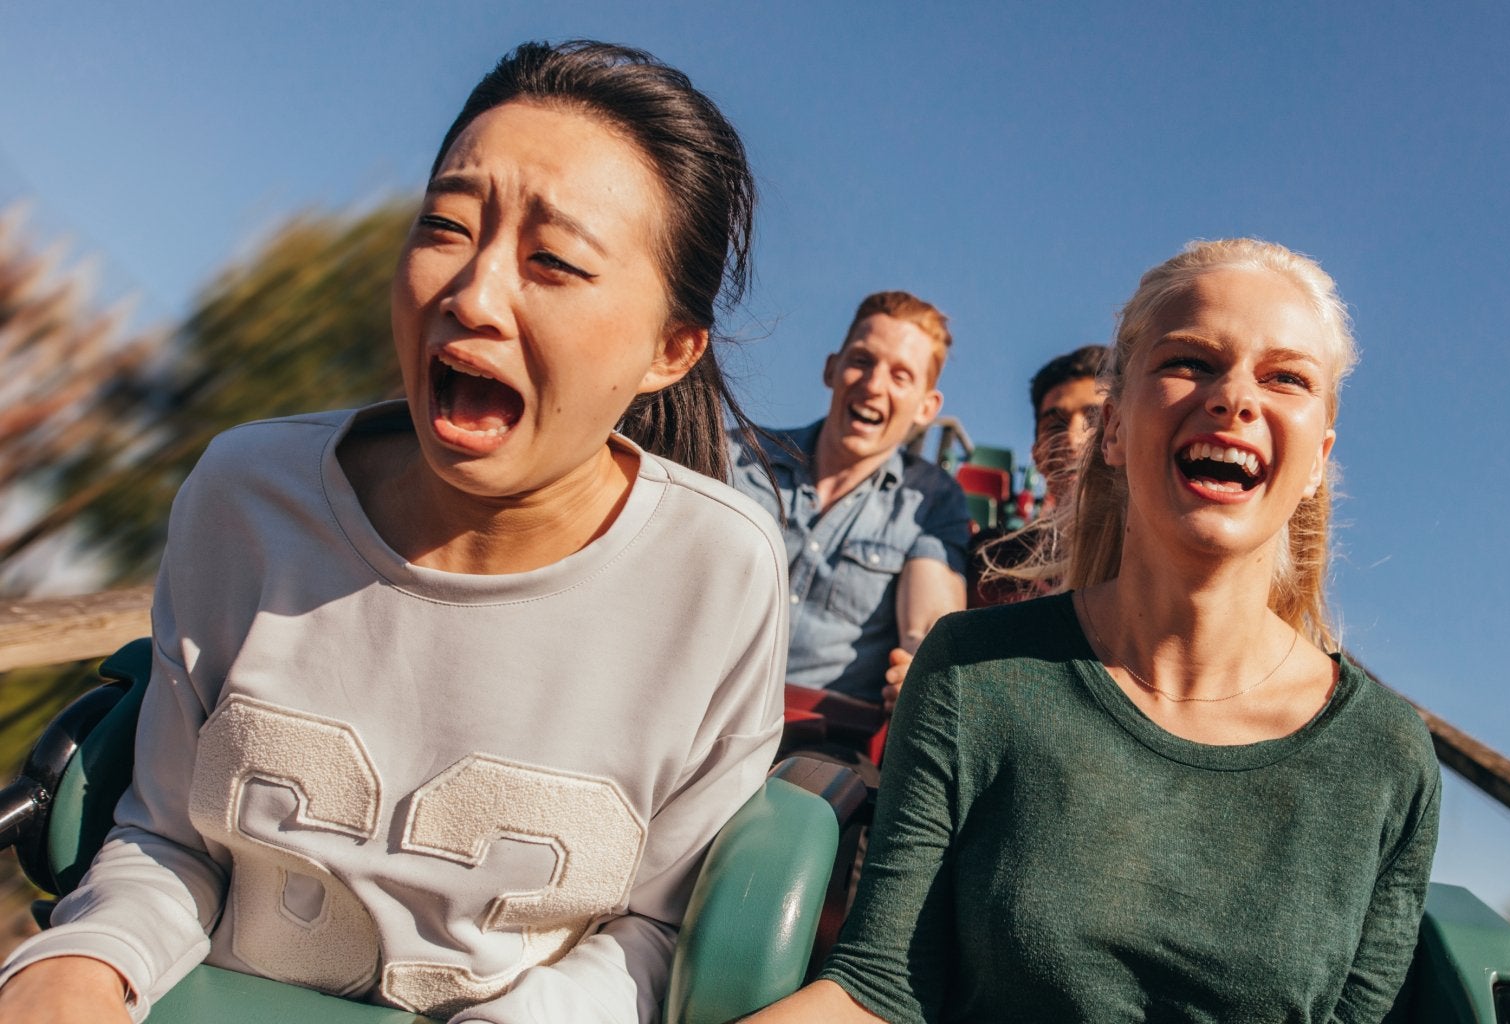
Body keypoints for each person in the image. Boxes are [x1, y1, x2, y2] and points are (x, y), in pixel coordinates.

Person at [0, 41, 786, 1024]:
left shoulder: (719, 574)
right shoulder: (244, 495)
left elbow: (658, 932)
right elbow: (166, 838)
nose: (472, 294)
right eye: (445, 228)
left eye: (553, 260)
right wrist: (72, 969)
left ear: (671, 349)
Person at [752, 239, 1442, 1023]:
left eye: (1285, 377)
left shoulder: (1386, 757)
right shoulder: (974, 672)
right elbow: (880, 990)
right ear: (1112, 431)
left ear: (1318, 459)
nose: (1234, 399)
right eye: (1190, 361)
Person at [728, 292, 970, 721]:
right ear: (831, 368)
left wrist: (920, 666)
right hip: (693, 708)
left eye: (900, 376)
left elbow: (930, 624)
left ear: (926, 407)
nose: (873, 385)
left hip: (822, 741)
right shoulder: (735, 455)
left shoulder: (932, 499)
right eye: (861, 360)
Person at [966, 344, 1108, 608]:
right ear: (1036, 453)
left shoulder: (1170, 566)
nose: (1072, 439)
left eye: (1096, 418)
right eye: (1055, 425)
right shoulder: (990, 562)